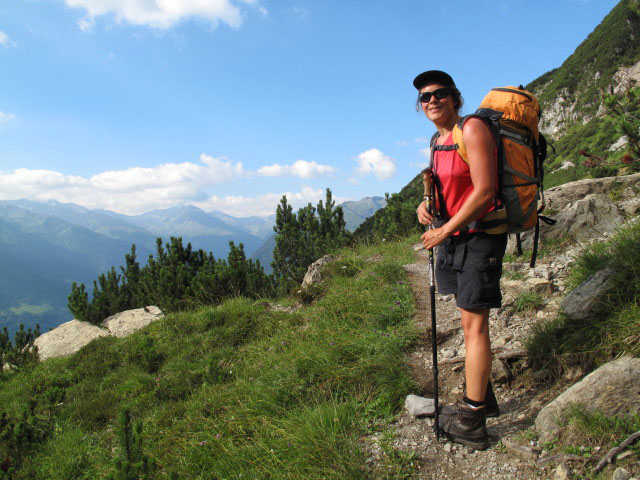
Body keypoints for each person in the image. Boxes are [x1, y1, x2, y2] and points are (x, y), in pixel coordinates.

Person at [413, 70, 507, 450]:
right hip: (456, 238)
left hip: (479, 238)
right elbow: (449, 187)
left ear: (455, 98)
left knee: (474, 327)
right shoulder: (438, 141)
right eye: (425, 97)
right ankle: (481, 393)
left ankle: (472, 419)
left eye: (440, 94)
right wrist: (425, 205)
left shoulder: (472, 130)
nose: (432, 100)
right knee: (468, 319)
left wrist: (444, 229)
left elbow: (485, 191)